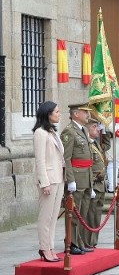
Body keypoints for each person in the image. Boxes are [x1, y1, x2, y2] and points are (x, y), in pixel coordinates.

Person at [32, 101, 64, 262]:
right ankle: (44, 247)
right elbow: (40, 160)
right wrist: (43, 182)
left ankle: (50, 246)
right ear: (48, 114)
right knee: (45, 216)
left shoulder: (52, 132)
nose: (59, 114)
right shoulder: (40, 133)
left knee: (53, 216)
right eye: (57, 112)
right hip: (49, 180)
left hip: (59, 178)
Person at [61, 103, 94, 255]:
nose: (88, 115)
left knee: (83, 212)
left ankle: (80, 241)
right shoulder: (69, 131)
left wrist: (91, 181)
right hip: (76, 177)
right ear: (75, 114)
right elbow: (66, 158)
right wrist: (70, 180)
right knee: (74, 213)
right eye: (85, 112)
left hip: (86, 177)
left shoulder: (83, 130)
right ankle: (72, 242)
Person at [86, 118, 108, 248]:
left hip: (101, 184)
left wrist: (104, 132)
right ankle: (88, 241)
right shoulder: (88, 144)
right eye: (94, 127)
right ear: (87, 129)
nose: (97, 129)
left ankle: (93, 240)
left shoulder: (96, 143)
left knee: (97, 214)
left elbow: (107, 146)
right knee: (91, 214)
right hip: (94, 183)